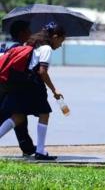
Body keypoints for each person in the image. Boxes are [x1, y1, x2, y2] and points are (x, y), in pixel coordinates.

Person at [0, 22, 66, 160]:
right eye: (61, 40)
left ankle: (39, 150)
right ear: (54, 36)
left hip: (20, 82)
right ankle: (40, 151)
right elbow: (42, 71)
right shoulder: (46, 48)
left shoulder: (32, 44)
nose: (60, 45)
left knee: (18, 116)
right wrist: (55, 90)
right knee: (44, 113)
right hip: (33, 83)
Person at [0, 20, 36, 157]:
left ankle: (27, 146)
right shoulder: (20, 49)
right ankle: (27, 146)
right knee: (13, 115)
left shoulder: (9, 47)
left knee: (19, 116)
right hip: (8, 87)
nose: (31, 33)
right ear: (22, 34)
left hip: (5, 86)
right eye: (28, 31)